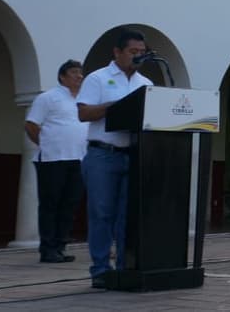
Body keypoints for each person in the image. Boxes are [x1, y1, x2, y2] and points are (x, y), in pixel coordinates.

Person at [77, 30, 152, 288]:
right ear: (117, 52)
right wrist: (115, 107)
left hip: (133, 155)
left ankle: (123, 268)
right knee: (101, 213)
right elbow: (84, 113)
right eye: (133, 52)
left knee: (126, 217)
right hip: (103, 155)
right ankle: (100, 270)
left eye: (142, 52)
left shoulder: (146, 83)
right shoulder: (98, 78)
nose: (138, 56)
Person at [24, 59, 88, 263]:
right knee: (50, 204)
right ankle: (48, 249)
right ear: (62, 76)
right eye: (74, 72)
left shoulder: (83, 100)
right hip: (52, 160)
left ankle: (60, 246)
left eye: (80, 73)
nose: (79, 76)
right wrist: (47, 145)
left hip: (78, 159)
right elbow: (31, 125)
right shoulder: (48, 97)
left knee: (70, 204)